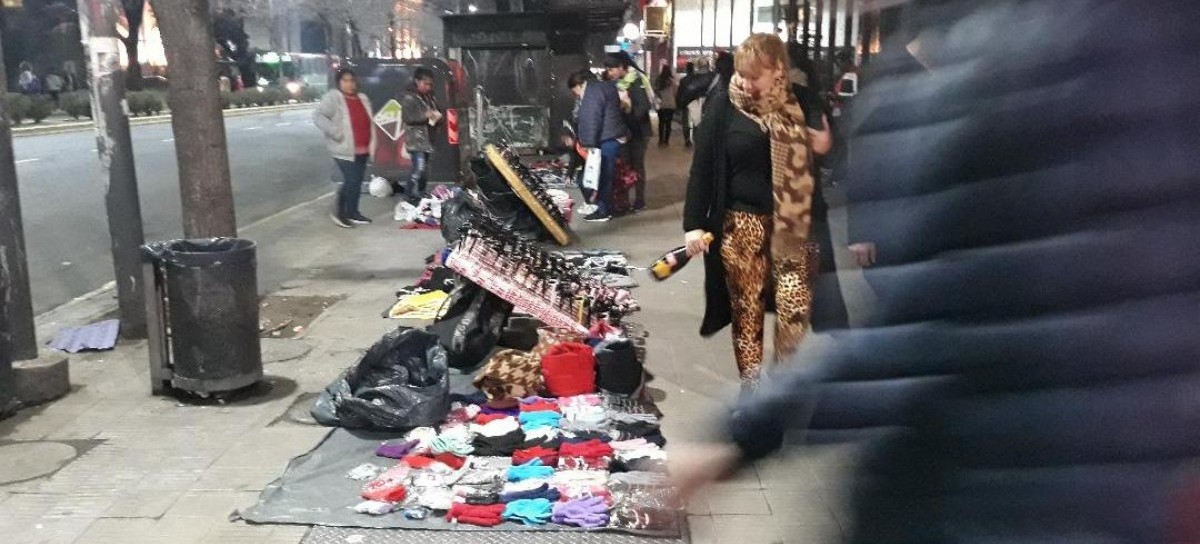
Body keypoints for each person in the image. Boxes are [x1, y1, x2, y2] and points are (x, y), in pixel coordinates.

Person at [671, 1, 1200, 543]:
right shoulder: (1078, 44)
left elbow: (933, 321)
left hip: (1001, 495)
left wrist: (746, 432)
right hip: (1068, 482)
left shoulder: (1028, 57)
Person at [682, 34, 835, 384]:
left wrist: (826, 147)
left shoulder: (803, 101)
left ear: (778, 69)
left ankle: (780, 385)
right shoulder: (723, 105)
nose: (747, 84)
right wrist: (693, 224)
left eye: (755, 76)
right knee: (746, 310)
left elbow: (834, 155)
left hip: (796, 226)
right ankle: (752, 387)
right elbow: (702, 169)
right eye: (743, 74)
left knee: (794, 311)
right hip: (742, 225)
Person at [313, 68, 376, 228]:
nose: (349, 84)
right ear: (339, 82)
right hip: (343, 148)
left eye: (352, 80)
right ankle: (339, 212)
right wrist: (336, 132)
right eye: (345, 80)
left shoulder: (362, 98)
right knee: (351, 180)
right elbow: (318, 116)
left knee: (356, 181)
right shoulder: (334, 98)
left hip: (362, 148)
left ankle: (353, 212)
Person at [572, 68, 628, 222]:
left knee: (599, 177)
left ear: (581, 84)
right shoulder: (606, 87)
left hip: (604, 140)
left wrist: (588, 144)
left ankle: (603, 210)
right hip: (612, 137)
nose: (577, 94)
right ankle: (607, 208)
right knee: (605, 176)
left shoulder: (593, 92)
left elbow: (591, 118)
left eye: (576, 90)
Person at [605, 52, 653, 212]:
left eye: (611, 69)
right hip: (624, 131)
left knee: (637, 165)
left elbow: (644, 107)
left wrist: (627, 114)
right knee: (624, 166)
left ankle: (639, 200)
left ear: (621, 67)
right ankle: (624, 201)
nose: (609, 73)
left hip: (638, 132)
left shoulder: (636, 81)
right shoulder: (617, 83)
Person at [400, 67, 442, 205]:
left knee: (424, 169)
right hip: (416, 140)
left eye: (430, 84)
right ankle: (409, 194)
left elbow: (437, 110)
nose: (428, 87)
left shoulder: (430, 96)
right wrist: (426, 116)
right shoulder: (409, 97)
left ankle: (421, 192)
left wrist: (438, 116)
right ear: (417, 81)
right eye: (425, 83)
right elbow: (408, 118)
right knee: (418, 167)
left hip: (428, 138)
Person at [654, 62, 678, 147]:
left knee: (661, 123)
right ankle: (666, 141)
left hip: (661, 104)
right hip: (671, 104)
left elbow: (655, 91)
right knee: (668, 123)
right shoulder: (672, 81)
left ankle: (660, 140)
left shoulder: (658, 80)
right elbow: (676, 93)